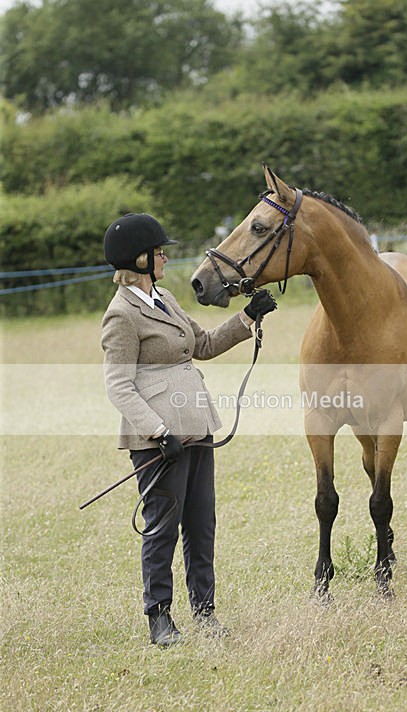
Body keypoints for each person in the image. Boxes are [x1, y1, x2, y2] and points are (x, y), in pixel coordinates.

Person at [101, 212, 276, 647]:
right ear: (138, 259)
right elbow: (118, 385)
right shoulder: (121, 314)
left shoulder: (165, 297)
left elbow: (203, 346)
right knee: (162, 527)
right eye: (159, 252)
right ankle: (159, 619)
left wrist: (247, 317)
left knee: (201, 524)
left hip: (196, 426)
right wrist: (159, 432)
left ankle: (205, 611)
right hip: (159, 442)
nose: (164, 257)